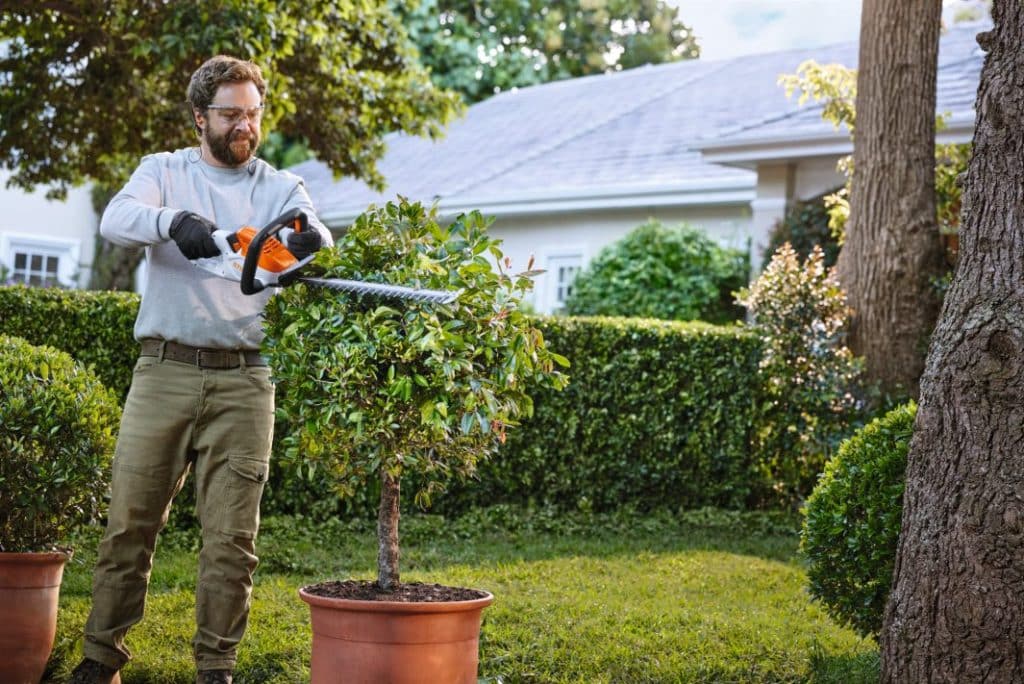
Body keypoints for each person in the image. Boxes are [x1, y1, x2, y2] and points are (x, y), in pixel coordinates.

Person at [68, 55, 332, 684]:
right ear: (199, 117)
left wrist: (299, 243)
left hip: (246, 379)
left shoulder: (281, 186)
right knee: (129, 524)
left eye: (253, 113)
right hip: (163, 372)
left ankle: (216, 667)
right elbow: (116, 219)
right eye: (230, 114)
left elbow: (313, 231)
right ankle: (100, 659)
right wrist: (174, 222)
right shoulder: (164, 172)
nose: (245, 125)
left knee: (231, 542)